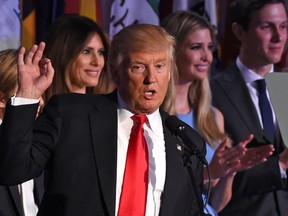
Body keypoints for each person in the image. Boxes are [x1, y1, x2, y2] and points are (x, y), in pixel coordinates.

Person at [0, 24, 207, 216]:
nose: (151, 78)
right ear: (115, 72)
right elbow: (12, 171)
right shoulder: (70, 115)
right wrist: (27, 95)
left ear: (170, 72)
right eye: (139, 67)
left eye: (160, 66)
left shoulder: (187, 143)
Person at [161, 10, 275, 215]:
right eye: (196, 47)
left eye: (210, 47)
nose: (207, 57)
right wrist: (209, 173)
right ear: (172, 51)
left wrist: (229, 172)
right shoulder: (155, 116)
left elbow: (216, 204)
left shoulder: (213, 117)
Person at [210, 0, 288, 215]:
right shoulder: (212, 93)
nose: (279, 37)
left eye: (283, 26)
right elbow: (211, 177)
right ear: (238, 31)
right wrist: (280, 165)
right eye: (266, 27)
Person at [0, 49, 44, 216]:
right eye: (27, 91)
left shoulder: (41, 143)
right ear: (1, 100)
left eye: (40, 91)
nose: (39, 101)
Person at [43, 14, 114, 103]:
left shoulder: (109, 110)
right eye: (86, 51)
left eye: (100, 52)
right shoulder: (37, 110)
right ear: (64, 55)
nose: (97, 62)